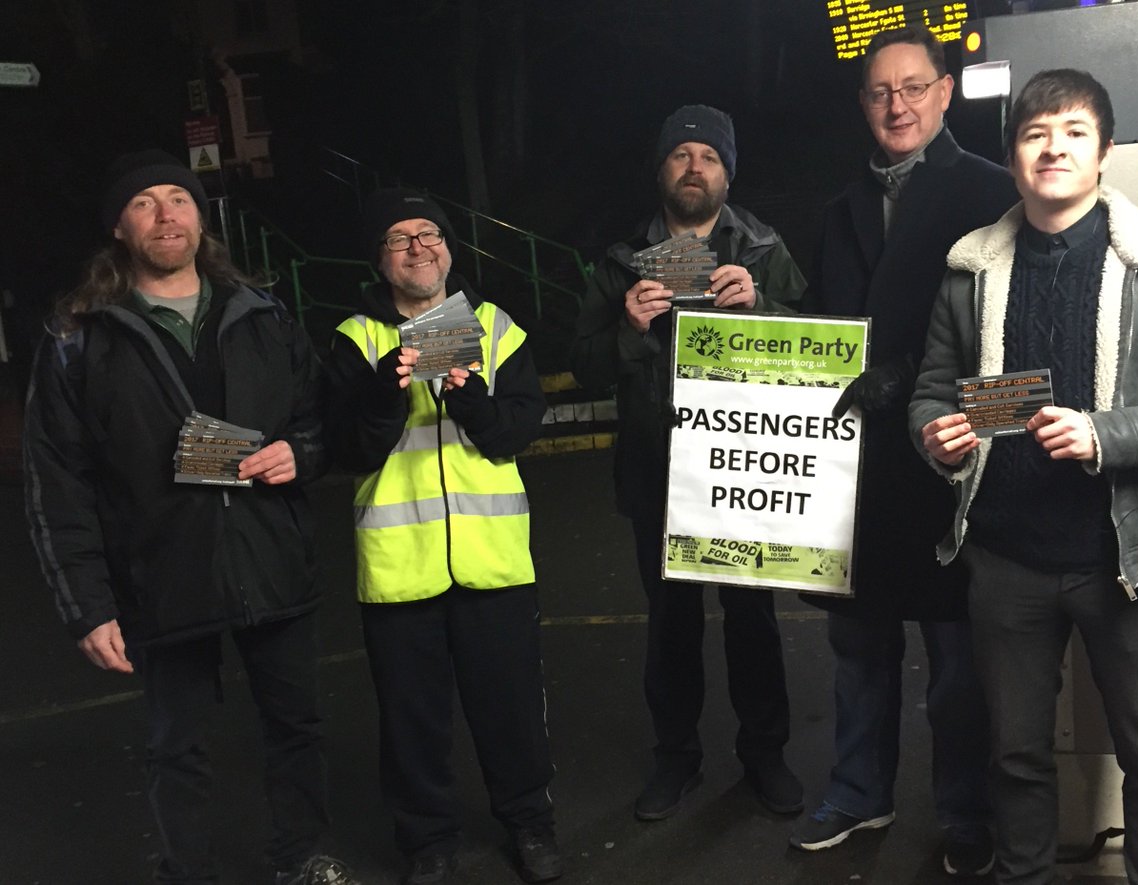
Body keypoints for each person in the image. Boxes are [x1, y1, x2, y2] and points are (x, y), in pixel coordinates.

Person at [23, 150, 356, 885]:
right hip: (160, 570)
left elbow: (317, 418)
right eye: (145, 202)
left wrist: (298, 452)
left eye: (179, 198)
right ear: (119, 227)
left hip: (270, 553)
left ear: (201, 219)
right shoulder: (81, 338)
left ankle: (303, 856)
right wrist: (86, 605)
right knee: (178, 745)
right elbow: (57, 480)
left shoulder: (262, 312)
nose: (166, 213)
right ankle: (189, 872)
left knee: (295, 726)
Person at [912, 68, 1138, 884]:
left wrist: (1104, 435)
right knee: (1015, 758)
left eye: (1074, 131)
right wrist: (937, 437)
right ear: (1012, 158)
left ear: (1105, 151)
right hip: (1005, 561)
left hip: (1130, 562)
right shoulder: (969, 270)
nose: (1053, 148)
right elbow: (935, 389)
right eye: (1035, 133)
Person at [790, 25, 1016, 877]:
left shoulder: (992, 193)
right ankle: (858, 790)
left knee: (957, 664)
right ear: (863, 104)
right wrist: (758, 313)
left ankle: (964, 812)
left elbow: (1012, 338)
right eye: (882, 92)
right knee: (858, 650)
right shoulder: (841, 207)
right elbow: (821, 322)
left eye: (914, 87)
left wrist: (914, 376)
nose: (899, 105)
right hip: (854, 475)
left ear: (945, 91)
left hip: (950, 467)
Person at [571, 104, 807, 821]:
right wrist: (629, 329)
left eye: (708, 155)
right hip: (657, 475)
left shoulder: (765, 251)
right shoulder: (620, 263)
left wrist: (763, 306)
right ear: (661, 169)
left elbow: (820, 351)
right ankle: (676, 760)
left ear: (728, 172)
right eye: (681, 155)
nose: (694, 166)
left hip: (741, 473)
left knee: (752, 620)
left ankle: (765, 755)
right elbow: (582, 368)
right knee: (670, 625)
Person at [324, 188, 559, 885]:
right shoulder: (354, 338)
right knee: (410, 717)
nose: (418, 247)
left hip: (494, 560)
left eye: (429, 234)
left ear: (450, 249)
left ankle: (530, 824)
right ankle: (426, 838)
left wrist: (472, 399)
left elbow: (518, 430)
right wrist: (382, 396)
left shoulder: (495, 326)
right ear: (380, 260)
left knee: (510, 707)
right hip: (400, 565)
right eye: (400, 238)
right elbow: (347, 449)